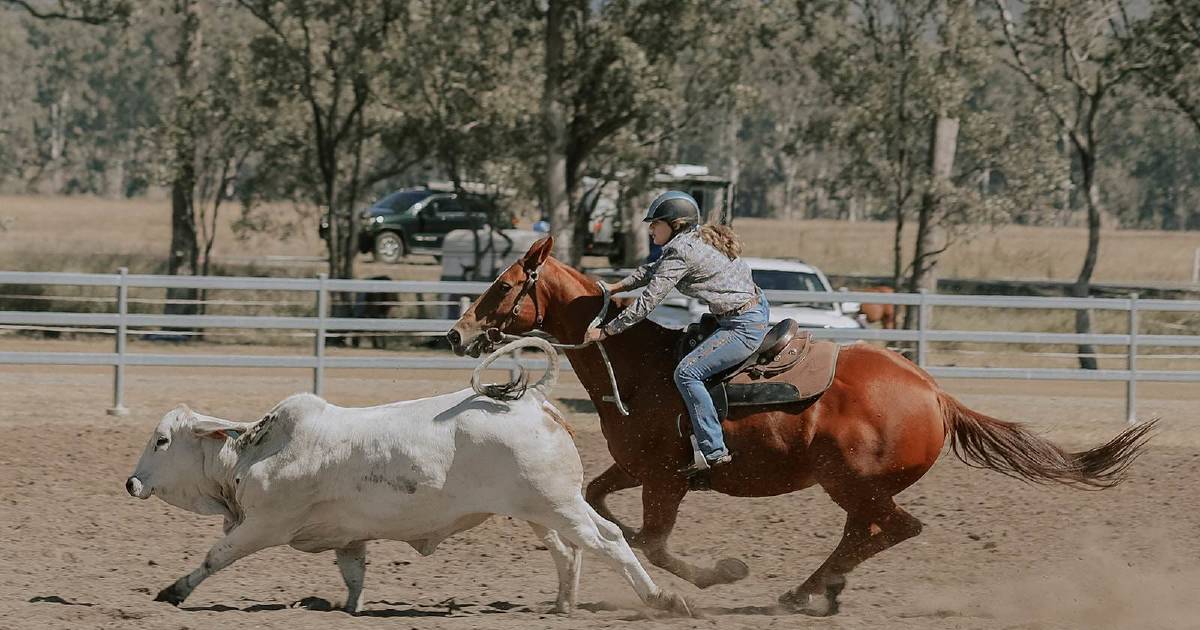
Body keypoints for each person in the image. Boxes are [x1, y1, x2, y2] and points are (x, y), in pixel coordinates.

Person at [583, 191, 769, 474]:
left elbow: (648, 301)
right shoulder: (691, 242)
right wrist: (615, 288)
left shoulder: (681, 250)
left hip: (741, 325)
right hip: (747, 311)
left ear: (676, 224)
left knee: (688, 373)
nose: (650, 229)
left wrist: (607, 331)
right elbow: (651, 270)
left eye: (656, 223)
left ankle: (713, 448)